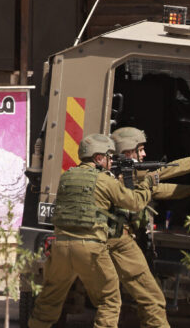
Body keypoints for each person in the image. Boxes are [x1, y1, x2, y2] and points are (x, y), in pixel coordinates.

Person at [28, 134, 156, 328]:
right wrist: (148, 184)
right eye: (109, 156)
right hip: (90, 248)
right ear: (98, 158)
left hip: (60, 246)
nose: (111, 160)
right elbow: (135, 203)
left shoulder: (67, 176)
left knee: (49, 299)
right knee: (110, 301)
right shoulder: (104, 180)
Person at [103, 126, 190, 328]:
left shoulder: (117, 173)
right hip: (118, 243)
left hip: (106, 243)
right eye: (140, 150)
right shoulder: (116, 176)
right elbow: (170, 170)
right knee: (151, 298)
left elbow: (159, 188)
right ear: (127, 152)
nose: (144, 154)